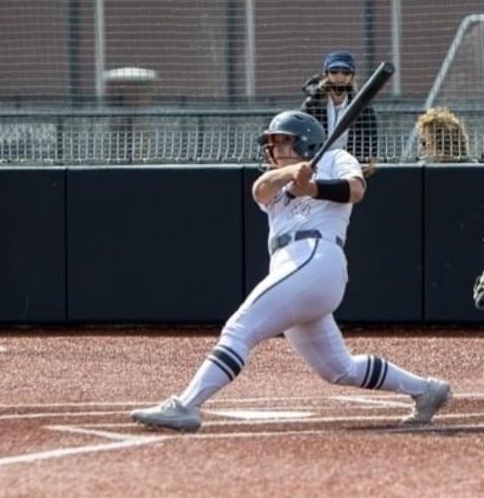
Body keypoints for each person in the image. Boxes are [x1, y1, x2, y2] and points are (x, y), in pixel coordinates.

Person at [130, 110, 450, 431]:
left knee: (239, 329)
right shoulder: (277, 184)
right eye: (272, 144)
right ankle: (426, 390)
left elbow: (356, 190)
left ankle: (186, 405)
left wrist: (313, 188)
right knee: (339, 370)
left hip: (316, 256)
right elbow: (260, 189)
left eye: (284, 142)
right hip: (292, 267)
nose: (275, 149)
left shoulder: (336, 157)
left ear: (305, 142)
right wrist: (292, 173)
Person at [300, 50, 378, 163]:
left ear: (352, 76)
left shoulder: (361, 106)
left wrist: (371, 156)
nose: (340, 76)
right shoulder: (312, 104)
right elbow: (302, 133)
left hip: (348, 159)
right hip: (317, 159)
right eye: (334, 71)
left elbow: (370, 133)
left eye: (346, 72)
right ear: (326, 75)